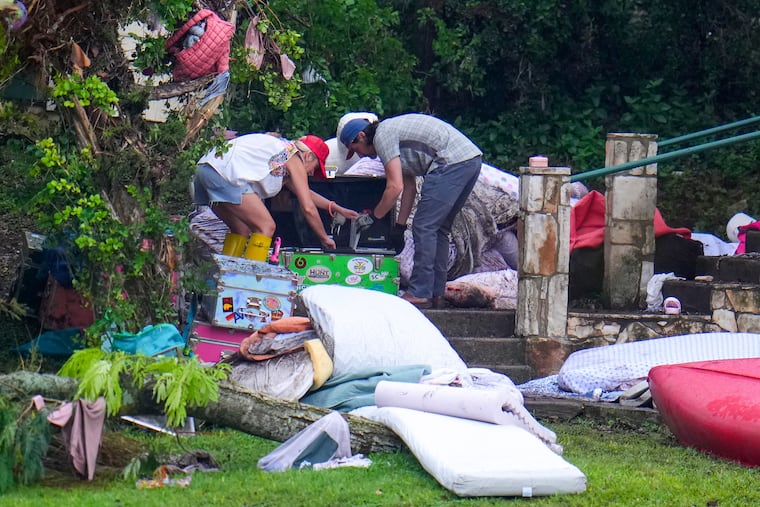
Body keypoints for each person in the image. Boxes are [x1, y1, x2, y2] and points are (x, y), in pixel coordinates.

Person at [340, 113, 482, 308]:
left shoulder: (382, 135)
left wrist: (373, 218)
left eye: (355, 148)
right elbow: (408, 187)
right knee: (438, 229)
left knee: (424, 226)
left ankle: (419, 292)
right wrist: (399, 225)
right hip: (469, 159)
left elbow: (394, 187)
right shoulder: (393, 140)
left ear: (362, 136)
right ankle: (435, 292)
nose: (359, 155)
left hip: (450, 161)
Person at [193, 133, 358, 258]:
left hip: (206, 170)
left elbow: (305, 193)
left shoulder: (281, 154)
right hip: (224, 174)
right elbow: (307, 207)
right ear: (308, 156)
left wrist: (335, 207)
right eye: (314, 168)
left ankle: (226, 276)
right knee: (266, 226)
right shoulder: (293, 156)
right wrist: (324, 238)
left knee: (241, 229)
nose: (311, 173)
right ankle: (249, 279)